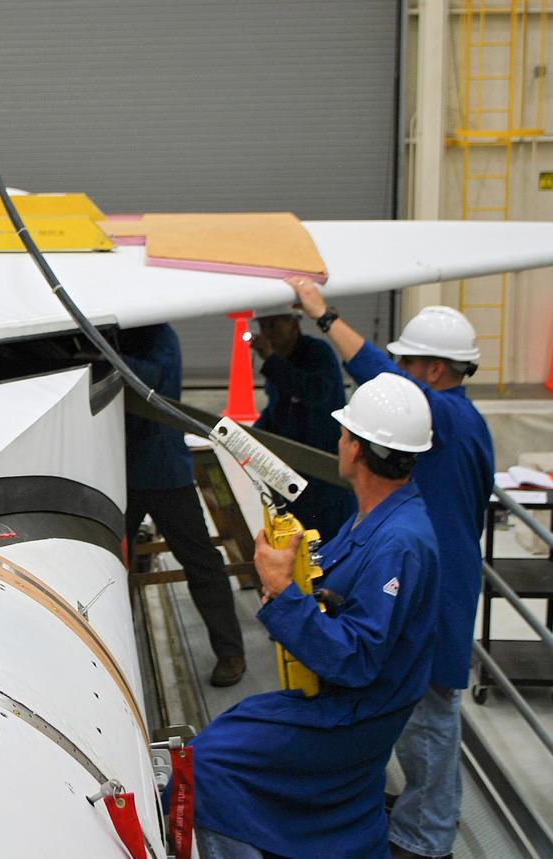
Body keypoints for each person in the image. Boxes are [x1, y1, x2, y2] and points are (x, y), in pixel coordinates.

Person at [191, 372, 440, 859]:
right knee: (231, 725)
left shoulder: (399, 542)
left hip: (354, 714)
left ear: (356, 449)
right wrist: (300, 581)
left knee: (207, 765)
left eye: (344, 433)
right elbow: (345, 597)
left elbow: (356, 659)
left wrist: (282, 589)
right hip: (349, 702)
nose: (339, 441)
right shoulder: (377, 517)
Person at [287, 277, 495, 859]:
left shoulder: (443, 416)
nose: (400, 374)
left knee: (430, 719)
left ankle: (427, 840)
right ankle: (416, 819)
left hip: (439, 591)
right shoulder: (467, 421)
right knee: (421, 711)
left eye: (409, 365)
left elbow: (377, 373)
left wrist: (323, 315)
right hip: (447, 578)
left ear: (434, 371)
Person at [120, 324, 247, 687]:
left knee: (200, 561)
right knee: (111, 565)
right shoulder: (114, 332)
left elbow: (152, 379)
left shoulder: (159, 335)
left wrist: (103, 357)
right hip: (119, 469)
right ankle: (118, 655)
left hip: (163, 471)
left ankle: (230, 652)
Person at [250, 306, 356, 542]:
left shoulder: (317, 353)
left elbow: (315, 392)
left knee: (330, 543)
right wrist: (249, 436)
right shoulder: (279, 362)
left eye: (274, 325)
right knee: (295, 543)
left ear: (293, 324)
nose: (268, 333)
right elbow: (277, 410)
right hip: (291, 475)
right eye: (263, 327)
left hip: (324, 474)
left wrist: (272, 362)